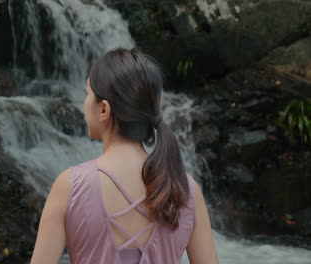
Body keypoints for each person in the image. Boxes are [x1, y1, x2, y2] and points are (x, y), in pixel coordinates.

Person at [30, 48, 219, 264]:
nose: (84, 103)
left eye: (87, 94)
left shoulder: (71, 186)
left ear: (103, 109)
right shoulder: (186, 189)